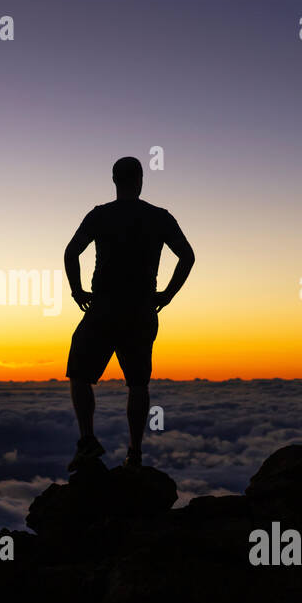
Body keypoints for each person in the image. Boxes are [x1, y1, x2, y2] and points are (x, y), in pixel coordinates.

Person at [63, 156, 194, 470]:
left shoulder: (100, 215)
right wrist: (168, 294)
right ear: (140, 180)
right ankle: (134, 453)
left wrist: (77, 290)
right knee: (138, 384)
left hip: (104, 307)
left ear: (113, 179)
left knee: (80, 374)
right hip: (142, 309)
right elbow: (187, 256)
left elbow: (71, 252)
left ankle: (87, 441)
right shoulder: (159, 217)